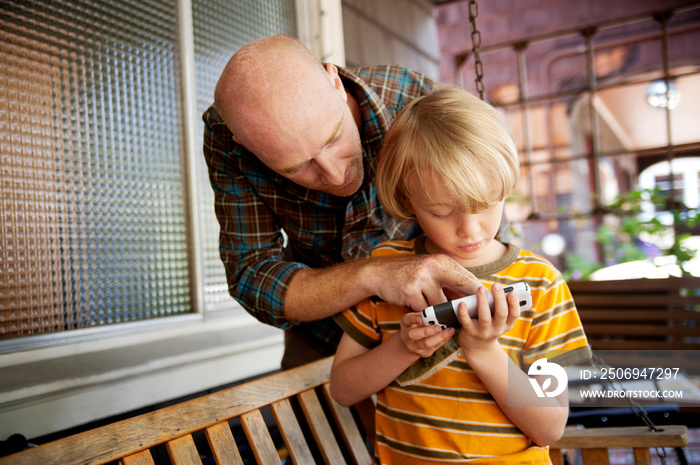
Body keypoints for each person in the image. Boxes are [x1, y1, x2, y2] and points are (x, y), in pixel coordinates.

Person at [330, 85, 592, 464]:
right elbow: (343, 389)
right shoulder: (387, 271)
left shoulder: (541, 283)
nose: (470, 230)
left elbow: (549, 427)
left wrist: (484, 351)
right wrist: (403, 347)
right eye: (441, 211)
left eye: (486, 204)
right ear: (407, 200)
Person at [203, 34, 482, 370]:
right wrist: (372, 275)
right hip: (321, 335)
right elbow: (251, 275)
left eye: (334, 139)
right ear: (246, 145)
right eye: (298, 167)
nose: (336, 176)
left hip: (436, 321)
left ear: (334, 81)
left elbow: (481, 228)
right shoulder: (227, 138)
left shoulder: (420, 104)